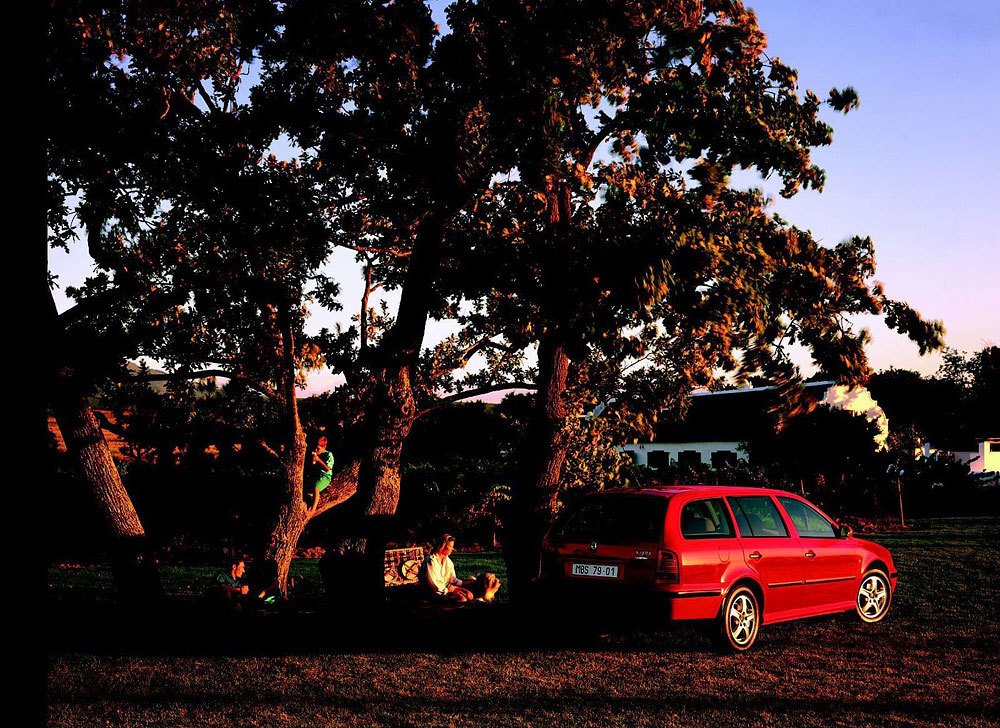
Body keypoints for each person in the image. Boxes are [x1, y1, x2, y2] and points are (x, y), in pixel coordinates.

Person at [419, 533, 501, 603]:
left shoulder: (448, 561)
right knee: (464, 598)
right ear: (442, 546)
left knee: (471, 592)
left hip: (446, 589)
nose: (452, 549)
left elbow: (452, 579)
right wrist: (455, 589)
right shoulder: (430, 561)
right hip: (434, 594)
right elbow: (436, 587)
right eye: (450, 547)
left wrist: (465, 583)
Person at [307, 435, 335, 514]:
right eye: (315, 448)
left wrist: (318, 460)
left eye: (318, 449)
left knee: (316, 488)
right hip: (318, 476)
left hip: (326, 476)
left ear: (324, 447)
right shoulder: (316, 454)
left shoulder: (329, 455)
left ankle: (313, 510)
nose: (316, 450)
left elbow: (328, 468)